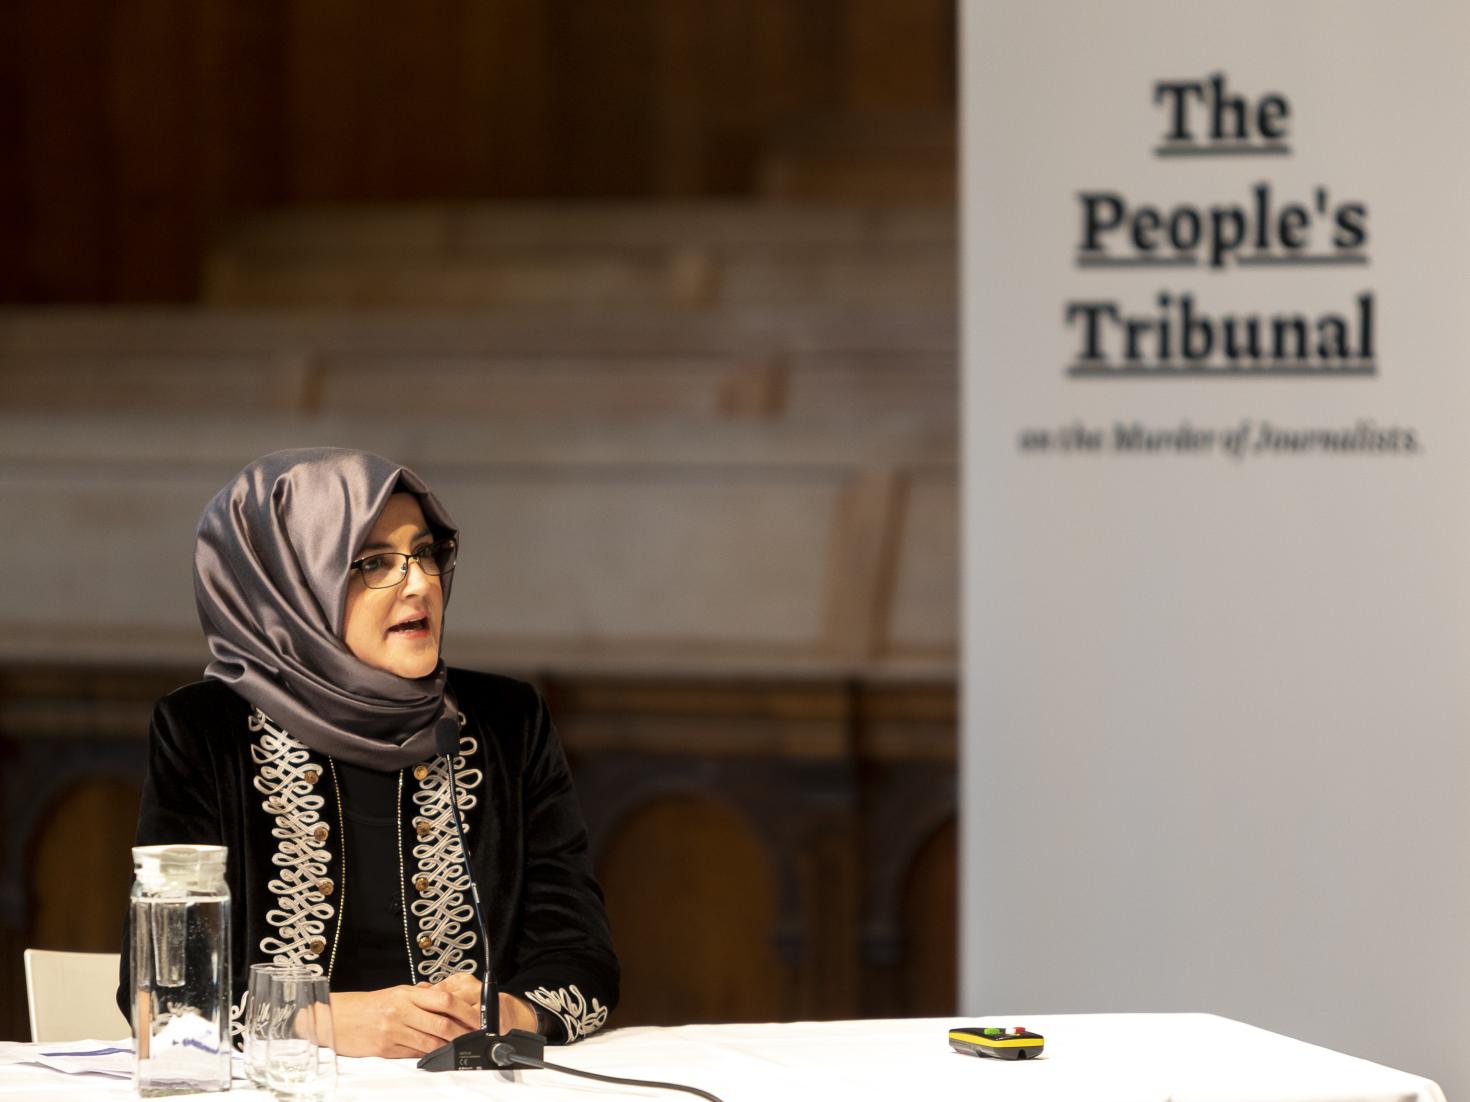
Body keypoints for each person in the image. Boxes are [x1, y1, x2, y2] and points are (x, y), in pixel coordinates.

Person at [116, 448, 618, 1057]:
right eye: (376, 562)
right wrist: (325, 1020)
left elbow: (581, 957)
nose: (421, 583)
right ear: (292, 584)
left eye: (428, 552)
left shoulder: (509, 722)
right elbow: (161, 998)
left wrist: (497, 1011)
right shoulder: (204, 731)